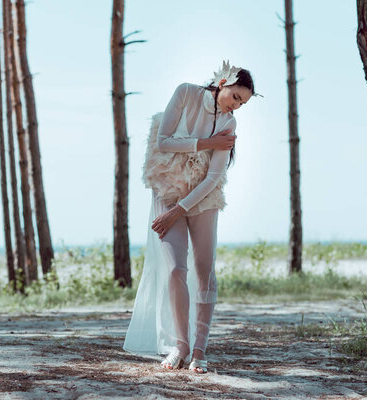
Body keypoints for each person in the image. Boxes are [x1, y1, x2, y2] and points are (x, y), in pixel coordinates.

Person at [123, 61, 256, 374]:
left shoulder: (229, 123)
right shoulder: (185, 93)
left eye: (243, 103)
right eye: (236, 97)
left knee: (204, 270)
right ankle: (179, 345)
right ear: (223, 82)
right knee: (174, 270)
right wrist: (209, 143)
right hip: (168, 189)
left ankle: (199, 350)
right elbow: (163, 141)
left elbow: (213, 177)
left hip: (202, 197)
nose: (236, 106)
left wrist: (180, 210)